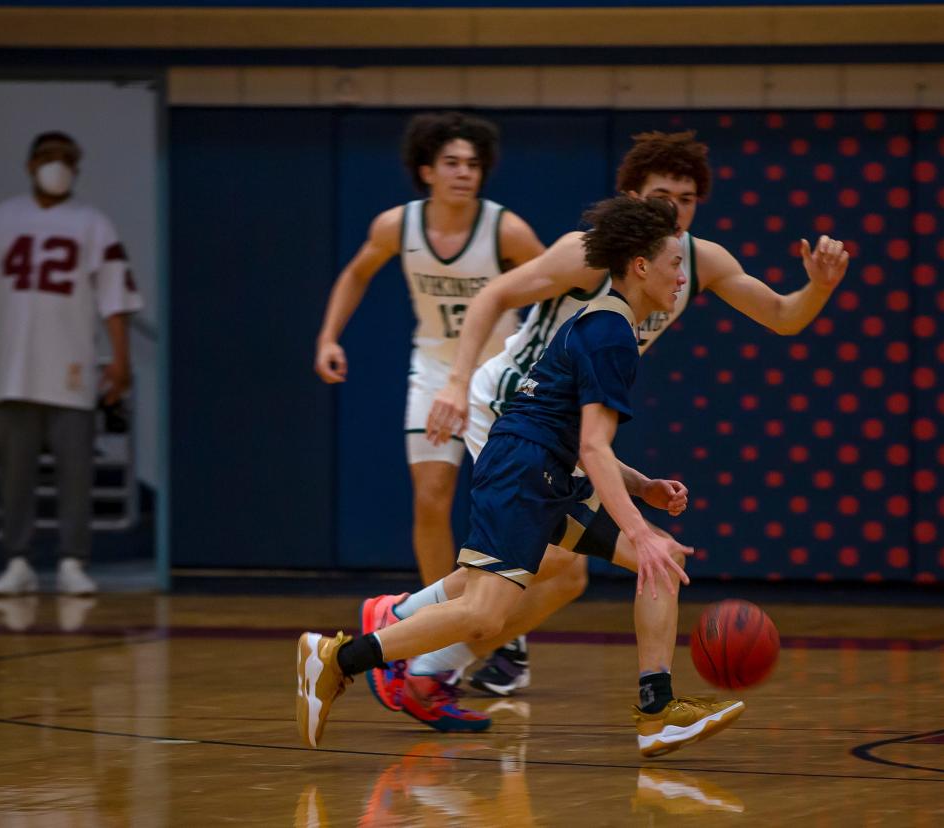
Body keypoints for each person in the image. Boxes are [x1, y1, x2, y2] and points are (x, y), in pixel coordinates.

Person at [363, 130, 850, 707]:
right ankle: (419, 654)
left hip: (563, 424)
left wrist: (817, 287)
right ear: (630, 196)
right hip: (511, 402)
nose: (675, 208)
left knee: (566, 575)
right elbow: (493, 295)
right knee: (558, 563)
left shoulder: (697, 261)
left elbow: (783, 315)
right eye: (661, 194)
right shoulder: (588, 253)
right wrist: (454, 382)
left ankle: (414, 635)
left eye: (688, 198)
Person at [297, 196, 746, 758]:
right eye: (674, 264)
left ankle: (656, 710)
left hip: (543, 469)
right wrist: (640, 525)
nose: (683, 276)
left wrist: (643, 487)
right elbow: (591, 446)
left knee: (661, 562)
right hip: (523, 469)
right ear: (639, 265)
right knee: (486, 611)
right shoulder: (611, 334)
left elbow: (581, 440)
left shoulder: (610, 321)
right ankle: (338, 659)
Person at [314, 111, 544, 586]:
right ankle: (437, 616)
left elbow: (557, 284)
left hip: (503, 376)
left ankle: (497, 609)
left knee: (508, 501)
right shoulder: (396, 227)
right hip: (436, 371)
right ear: (426, 170)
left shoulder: (506, 229)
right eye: (452, 162)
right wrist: (328, 336)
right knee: (431, 497)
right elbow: (356, 274)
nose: (464, 173)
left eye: (473, 164)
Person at [0, 131, 143, 595]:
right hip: (11, 371)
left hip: (70, 368)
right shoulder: (0, 219)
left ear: (76, 168)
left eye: (66, 159)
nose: (58, 166)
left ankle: (74, 560)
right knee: (15, 475)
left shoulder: (93, 223)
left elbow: (114, 299)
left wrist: (120, 359)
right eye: (50, 158)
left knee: (76, 473)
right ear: (31, 164)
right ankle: (17, 559)